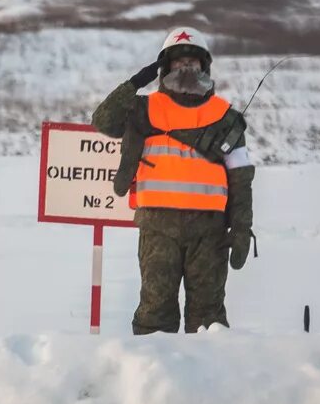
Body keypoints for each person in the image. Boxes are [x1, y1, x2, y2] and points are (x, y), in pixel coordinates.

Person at [92, 27, 256, 334]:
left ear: (204, 68)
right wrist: (135, 83)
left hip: (210, 232)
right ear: (164, 68)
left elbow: (240, 176)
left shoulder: (226, 118)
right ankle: (156, 379)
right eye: (179, 64)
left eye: (192, 64)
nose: (186, 70)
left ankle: (207, 381)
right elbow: (103, 121)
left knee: (209, 320)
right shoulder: (143, 108)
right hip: (157, 230)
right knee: (155, 315)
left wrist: (243, 226)